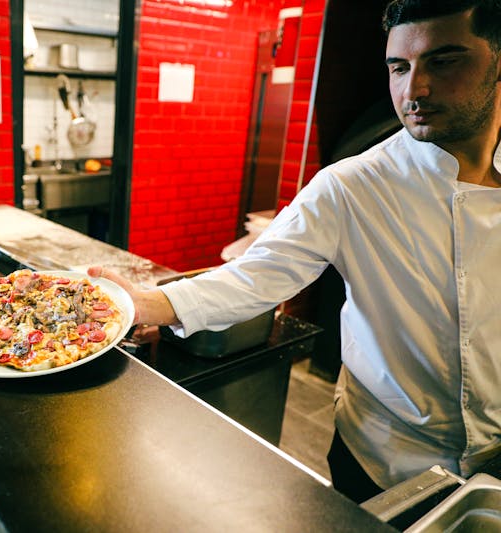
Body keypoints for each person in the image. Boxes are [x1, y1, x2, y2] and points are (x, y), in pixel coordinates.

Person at [90, 0, 501, 503]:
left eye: (443, 61)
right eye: (399, 67)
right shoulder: (353, 185)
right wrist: (141, 302)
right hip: (386, 458)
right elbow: (256, 275)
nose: (414, 89)